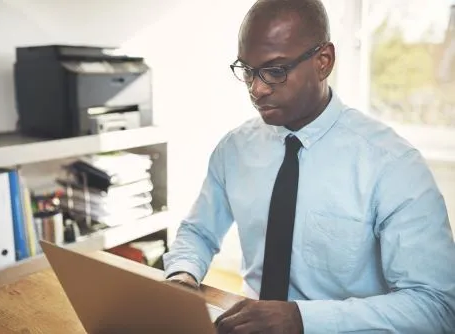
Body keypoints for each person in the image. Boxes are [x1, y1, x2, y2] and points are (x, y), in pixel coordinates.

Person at [163, 0, 455, 333]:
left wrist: (303, 319)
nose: (256, 89)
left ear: (323, 61)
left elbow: (435, 306)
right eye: (247, 70)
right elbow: (198, 232)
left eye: (274, 71)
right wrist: (182, 275)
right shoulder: (235, 149)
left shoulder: (393, 166)